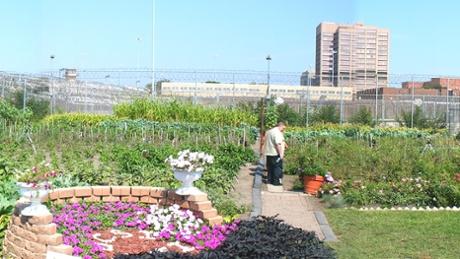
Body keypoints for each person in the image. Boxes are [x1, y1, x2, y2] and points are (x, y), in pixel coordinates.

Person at [263, 122, 286, 186]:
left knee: (270, 167)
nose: (283, 130)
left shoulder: (270, 131)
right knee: (277, 167)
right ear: (281, 126)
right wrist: (281, 154)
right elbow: (278, 143)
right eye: (283, 128)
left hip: (268, 152)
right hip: (275, 153)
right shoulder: (277, 133)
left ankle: (270, 180)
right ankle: (276, 181)